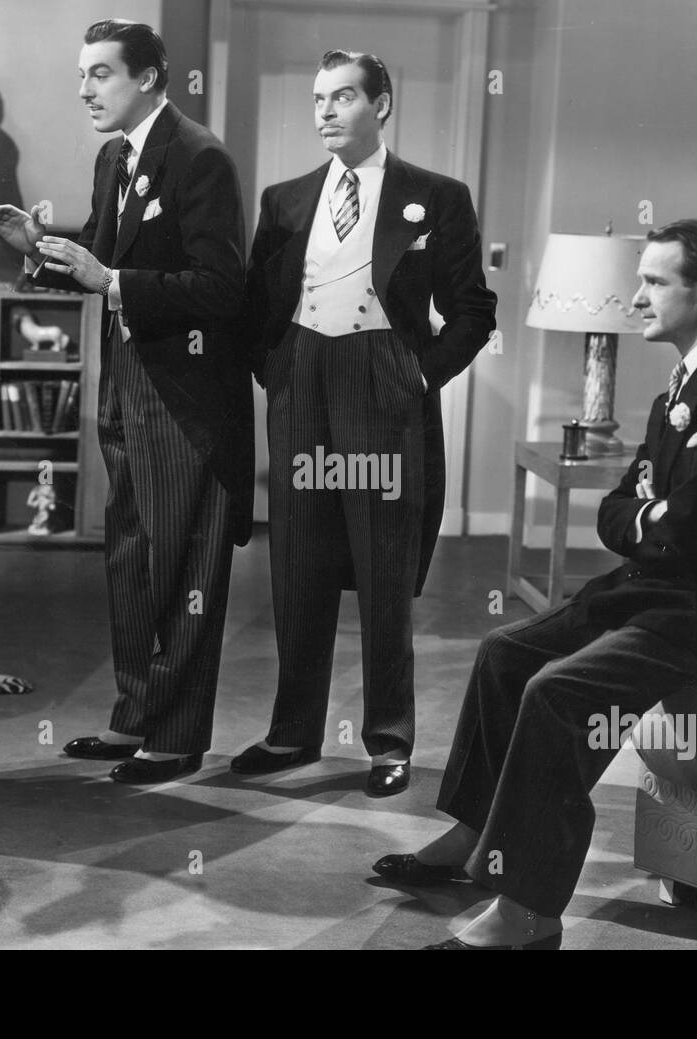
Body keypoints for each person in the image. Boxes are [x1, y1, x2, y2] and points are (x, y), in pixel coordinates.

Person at [374, 220, 697, 947]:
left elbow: (693, 527)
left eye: (653, 281)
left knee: (557, 694)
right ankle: (471, 835)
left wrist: (658, 519)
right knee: (503, 652)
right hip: (667, 584)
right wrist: (655, 518)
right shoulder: (681, 382)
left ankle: (528, 912)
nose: (637, 295)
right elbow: (622, 510)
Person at [0, 20, 251, 785]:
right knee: (131, 556)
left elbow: (222, 288)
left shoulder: (200, 159)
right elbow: (98, 262)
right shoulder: (115, 158)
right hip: (128, 385)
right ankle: (136, 715)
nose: (84, 89)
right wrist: (35, 250)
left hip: (187, 398)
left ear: (150, 76)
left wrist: (112, 282)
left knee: (181, 563)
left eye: (100, 73)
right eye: (83, 74)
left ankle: (177, 733)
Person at [234, 49, 496, 797]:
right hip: (301, 382)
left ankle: (388, 743)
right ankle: (292, 734)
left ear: (381, 105)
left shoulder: (436, 197)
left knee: (383, 570)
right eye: (318, 98)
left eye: (343, 97)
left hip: (382, 383)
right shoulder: (284, 200)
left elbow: (473, 310)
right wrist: (274, 368)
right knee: (298, 568)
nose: (325, 111)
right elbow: (256, 302)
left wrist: (418, 373)